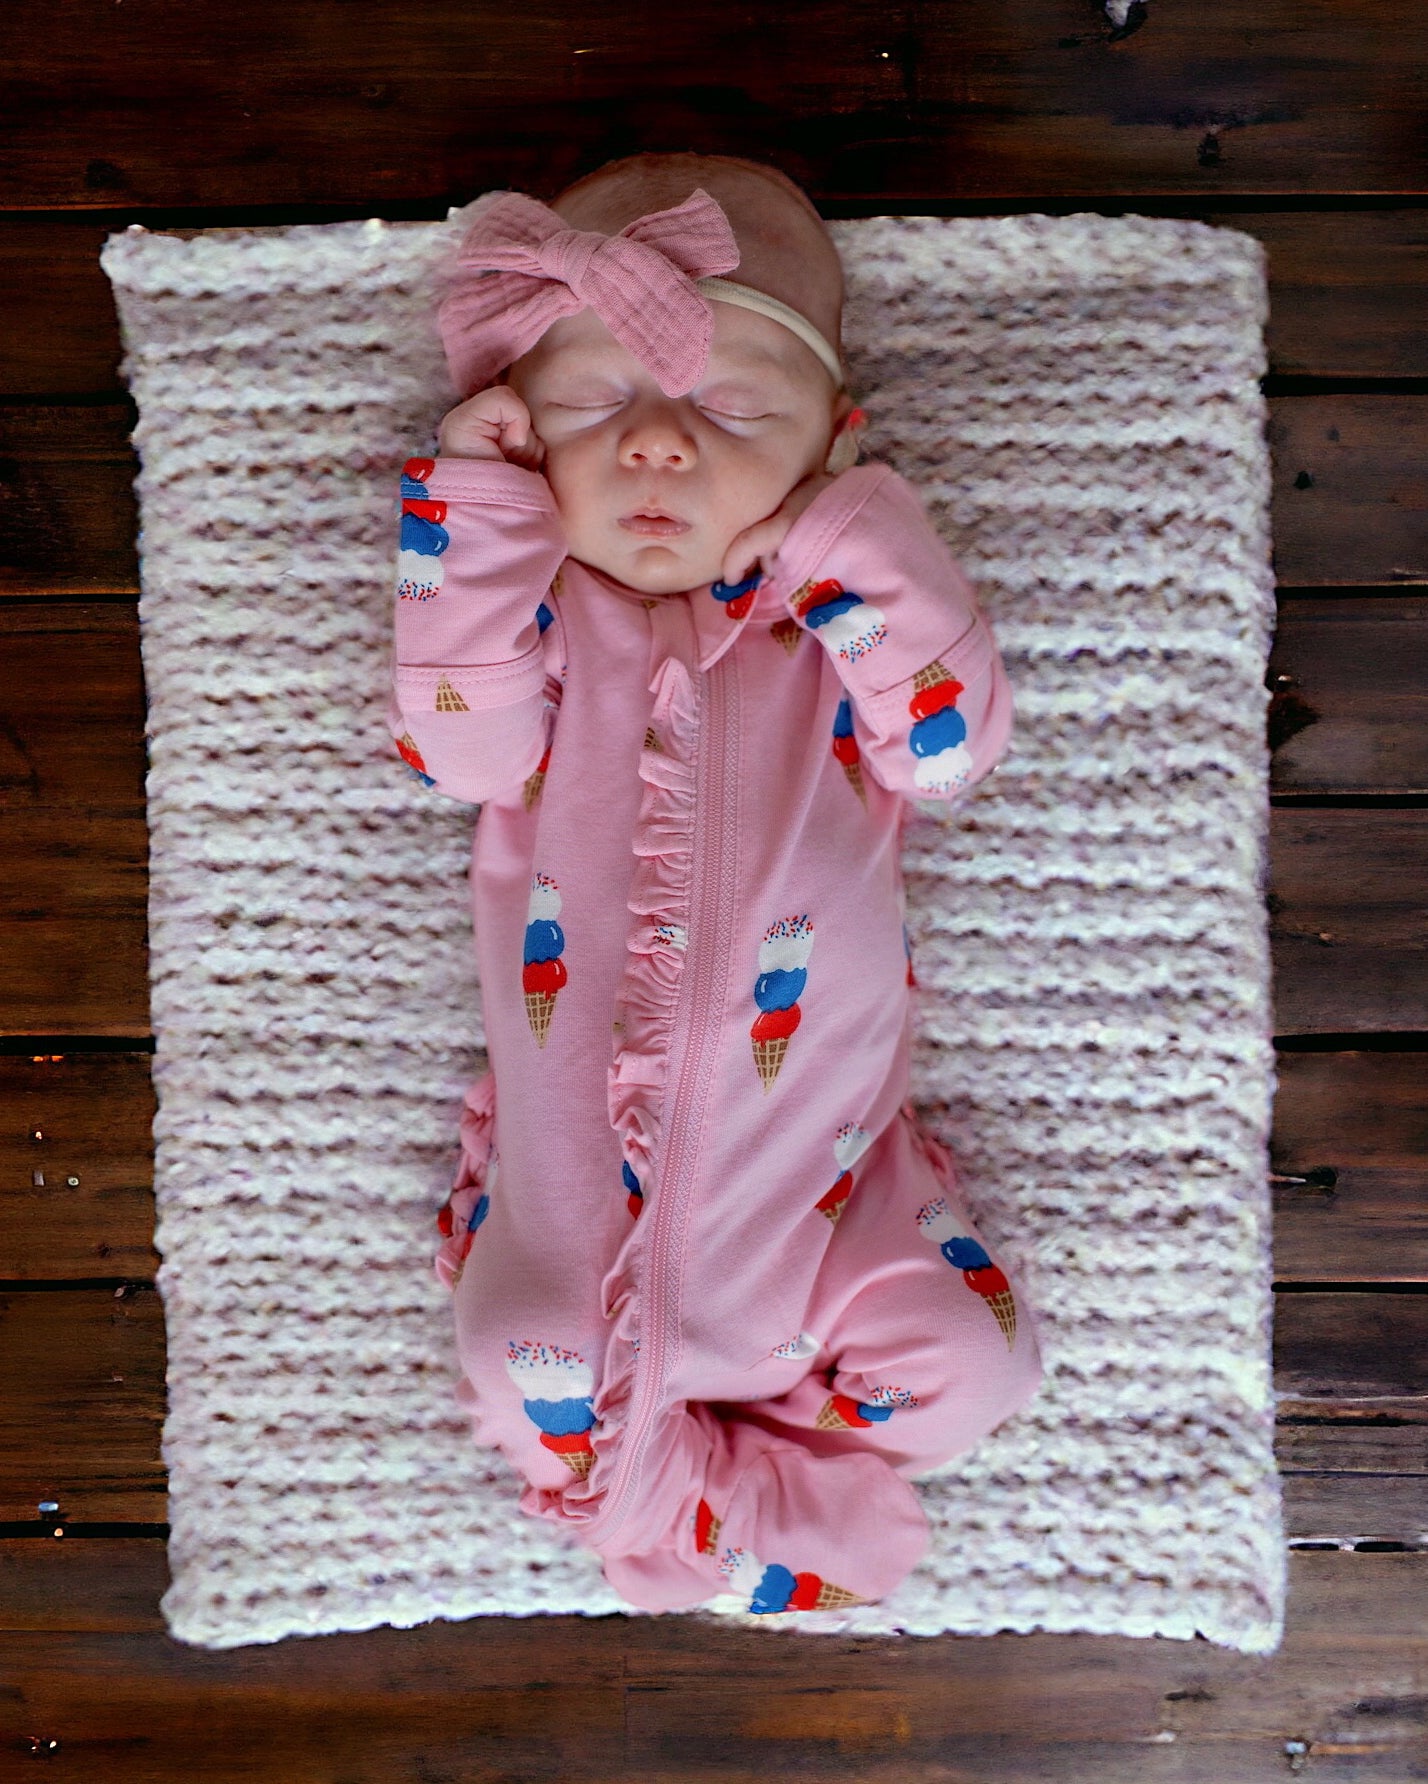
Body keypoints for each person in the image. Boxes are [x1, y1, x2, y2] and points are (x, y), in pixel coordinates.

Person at [388, 151, 1044, 1617]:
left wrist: (842, 542)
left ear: (835, 442)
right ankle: (732, 1508)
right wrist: (478, 519)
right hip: (573, 1197)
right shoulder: (549, 621)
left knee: (978, 1370)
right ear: (524, 439)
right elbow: (458, 746)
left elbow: (950, 750)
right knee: (517, 1359)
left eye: (734, 411)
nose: (657, 447)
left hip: (834, 1195)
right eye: (588, 407)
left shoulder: (824, 628)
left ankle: (684, 1503)